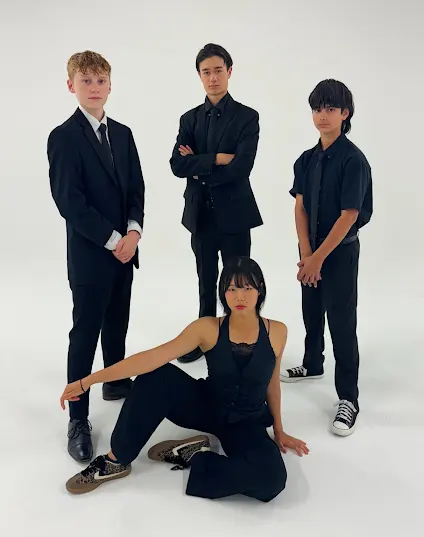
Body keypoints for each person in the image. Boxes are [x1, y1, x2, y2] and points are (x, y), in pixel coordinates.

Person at [60, 257, 309, 501]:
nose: (239, 297)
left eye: (247, 288)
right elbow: (152, 357)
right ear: (223, 293)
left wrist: (279, 430)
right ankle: (115, 461)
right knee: (156, 374)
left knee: (272, 479)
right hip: (207, 407)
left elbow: (272, 385)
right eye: (232, 289)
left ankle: (194, 455)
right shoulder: (207, 328)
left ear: (260, 289)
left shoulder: (277, 332)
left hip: (246, 422)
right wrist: (88, 381)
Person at [47, 50, 145, 463]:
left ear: (110, 85)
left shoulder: (123, 133)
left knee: (117, 322)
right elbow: (69, 201)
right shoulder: (63, 137)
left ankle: (115, 380)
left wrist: (134, 232)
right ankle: (78, 418)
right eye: (85, 81)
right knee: (85, 334)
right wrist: (113, 239)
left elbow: (136, 188)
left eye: (100, 80)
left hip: (125, 252)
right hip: (92, 255)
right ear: (71, 85)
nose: (94, 87)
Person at [280, 79, 373, 437]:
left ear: (345, 113)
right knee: (311, 308)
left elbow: (350, 215)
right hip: (311, 252)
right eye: (317, 109)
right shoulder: (306, 159)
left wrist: (318, 258)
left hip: (340, 251)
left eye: (330, 109)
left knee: (342, 322)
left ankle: (348, 398)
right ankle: (312, 363)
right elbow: (300, 206)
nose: (322, 115)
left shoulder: (353, 160)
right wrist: (306, 254)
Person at [170, 43, 263, 364]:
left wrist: (198, 164)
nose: (213, 78)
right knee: (206, 281)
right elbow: (176, 165)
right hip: (200, 216)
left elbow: (242, 168)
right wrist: (218, 159)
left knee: (240, 283)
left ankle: (242, 342)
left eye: (218, 71)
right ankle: (204, 339)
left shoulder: (247, 117)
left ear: (229, 72)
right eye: (206, 72)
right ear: (199, 75)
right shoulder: (189, 119)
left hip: (235, 215)